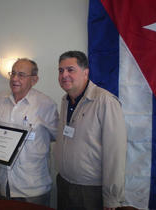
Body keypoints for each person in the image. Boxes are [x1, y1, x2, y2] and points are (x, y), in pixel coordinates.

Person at [54, 51, 127, 210]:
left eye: (70, 69)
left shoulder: (105, 101)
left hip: (90, 191)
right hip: (64, 184)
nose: (64, 75)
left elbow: (115, 153)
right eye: (61, 70)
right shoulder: (65, 101)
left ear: (85, 72)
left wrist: (112, 198)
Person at [0, 58, 59, 207]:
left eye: (21, 75)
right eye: (13, 73)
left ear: (34, 80)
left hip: (32, 188)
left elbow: (58, 137)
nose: (15, 79)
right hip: (2, 184)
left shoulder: (46, 104)